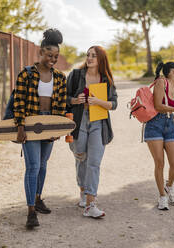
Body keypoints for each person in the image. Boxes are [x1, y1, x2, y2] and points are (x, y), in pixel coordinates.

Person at [13, 28, 67, 228]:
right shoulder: (26, 74)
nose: (52, 59)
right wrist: (20, 127)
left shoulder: (60, 77)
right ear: (40, 53)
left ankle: (38, 198)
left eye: (56, 56)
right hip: (29, 124)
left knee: (43, 165)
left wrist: (57, 129)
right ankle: (30, 212)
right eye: (49, 55)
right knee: (33, 166)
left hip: (49, 124)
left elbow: (61, 105)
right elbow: (19, 101)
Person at [66, 46, 118, 218]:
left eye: (93, 56)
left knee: (94, 162)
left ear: (101, 59)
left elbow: (114, 104)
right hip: (79, 119)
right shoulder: (75, 75)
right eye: (88, 55)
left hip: (99, 122)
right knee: (81, 155)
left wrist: (99, 101)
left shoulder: (106, 79)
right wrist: (75, 99)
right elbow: (61, 98)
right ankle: (82, 189)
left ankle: (90, 204)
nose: (89, 58)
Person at [144, 61, 174, 210]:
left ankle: (169, 186)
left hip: (169, 126)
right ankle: (162, 197)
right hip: (154, 126)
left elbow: (168, 112)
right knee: (160, 163)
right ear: (172, 71)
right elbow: (158, 106)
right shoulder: (161, 83)